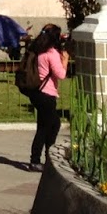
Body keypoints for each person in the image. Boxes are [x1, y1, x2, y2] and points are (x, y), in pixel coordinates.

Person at [27, 23, 69, 169]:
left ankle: (41, 158)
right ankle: (38, 160)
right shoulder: (51, 54)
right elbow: (61, 75)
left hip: (38, 92)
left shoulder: (39, 51)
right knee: (49, 126)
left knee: (47, 125)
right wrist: (65, 61)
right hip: (47, 94)